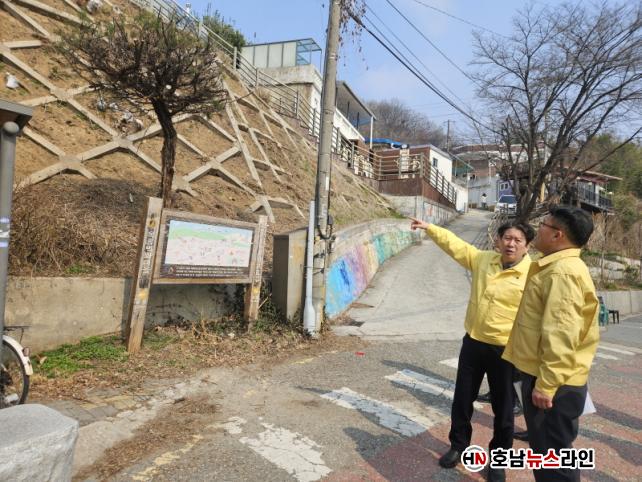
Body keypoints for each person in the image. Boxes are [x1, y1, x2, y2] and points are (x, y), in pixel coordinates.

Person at [410, 217, 535, 482]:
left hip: (506, 350)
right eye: (507, 238)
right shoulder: (483, 260)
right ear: (498, 240)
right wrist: (430, 229)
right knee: (462, 398)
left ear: (527, 246)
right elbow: (456, 246)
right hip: (474, 343)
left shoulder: (533, 275)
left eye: (518, 240)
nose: (511, 244)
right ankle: (458, 445)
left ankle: (499, 460)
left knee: (504, 409)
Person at [502, 206, 599, 482]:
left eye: (543, 225)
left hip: (553, 384)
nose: (538, 230)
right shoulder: (558, 267)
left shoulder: (562, 273)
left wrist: (546, 384)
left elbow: (561, 334)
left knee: (553, 461)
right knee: (551, 453)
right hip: (551, 378)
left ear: (558, 235)